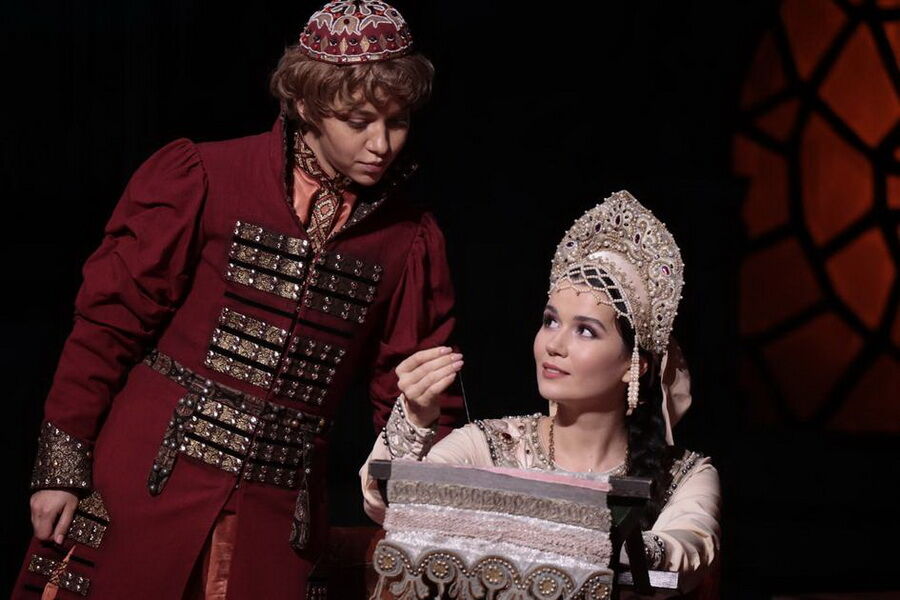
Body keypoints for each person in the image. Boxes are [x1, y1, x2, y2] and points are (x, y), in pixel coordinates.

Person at [14, 1, 463, 598]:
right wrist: (61, 469)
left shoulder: (409, 241)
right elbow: (107, 327)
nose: (381, 143)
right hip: (143, 476)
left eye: (397, 121)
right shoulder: (205, 176)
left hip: (280, 511)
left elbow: (418, 393)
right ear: (305, 105)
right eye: (358, 121)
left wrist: (428, 501)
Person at [361, 191, 721, 598]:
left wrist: (601, 536)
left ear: (634, 365)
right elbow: (392, 505)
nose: (555, 345)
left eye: (585, 330)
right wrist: (414, 415)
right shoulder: (490, 446)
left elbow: (686, 550)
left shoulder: (684, 476)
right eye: (551, 322)